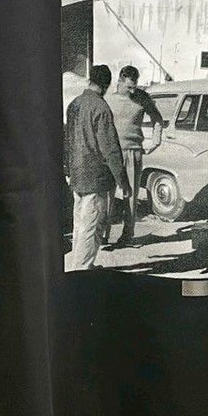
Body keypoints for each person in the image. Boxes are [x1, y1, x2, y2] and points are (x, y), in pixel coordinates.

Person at [64, 65, 129, 270]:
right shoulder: (101, 108)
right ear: (106, 85)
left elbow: (67, 140)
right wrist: (123, 181)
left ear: (90, 80)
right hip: (96, 177)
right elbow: (110, 149)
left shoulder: (74, 104)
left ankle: (81, 265)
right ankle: (82, 270)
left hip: (76, 173)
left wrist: (67, 169)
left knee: (79, 224)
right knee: (92, 227)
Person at [104, 64, 165, 245]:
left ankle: (127, 235)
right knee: (107, 195)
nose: (132, 91)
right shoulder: (108, 99)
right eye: (129, 87)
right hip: (112, 153)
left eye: (135, 86)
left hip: (133, 152)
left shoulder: (142, 97)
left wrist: (155, 142)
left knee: (130, 196)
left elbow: (157, 119)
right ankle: (103, 235)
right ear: (120, 81)